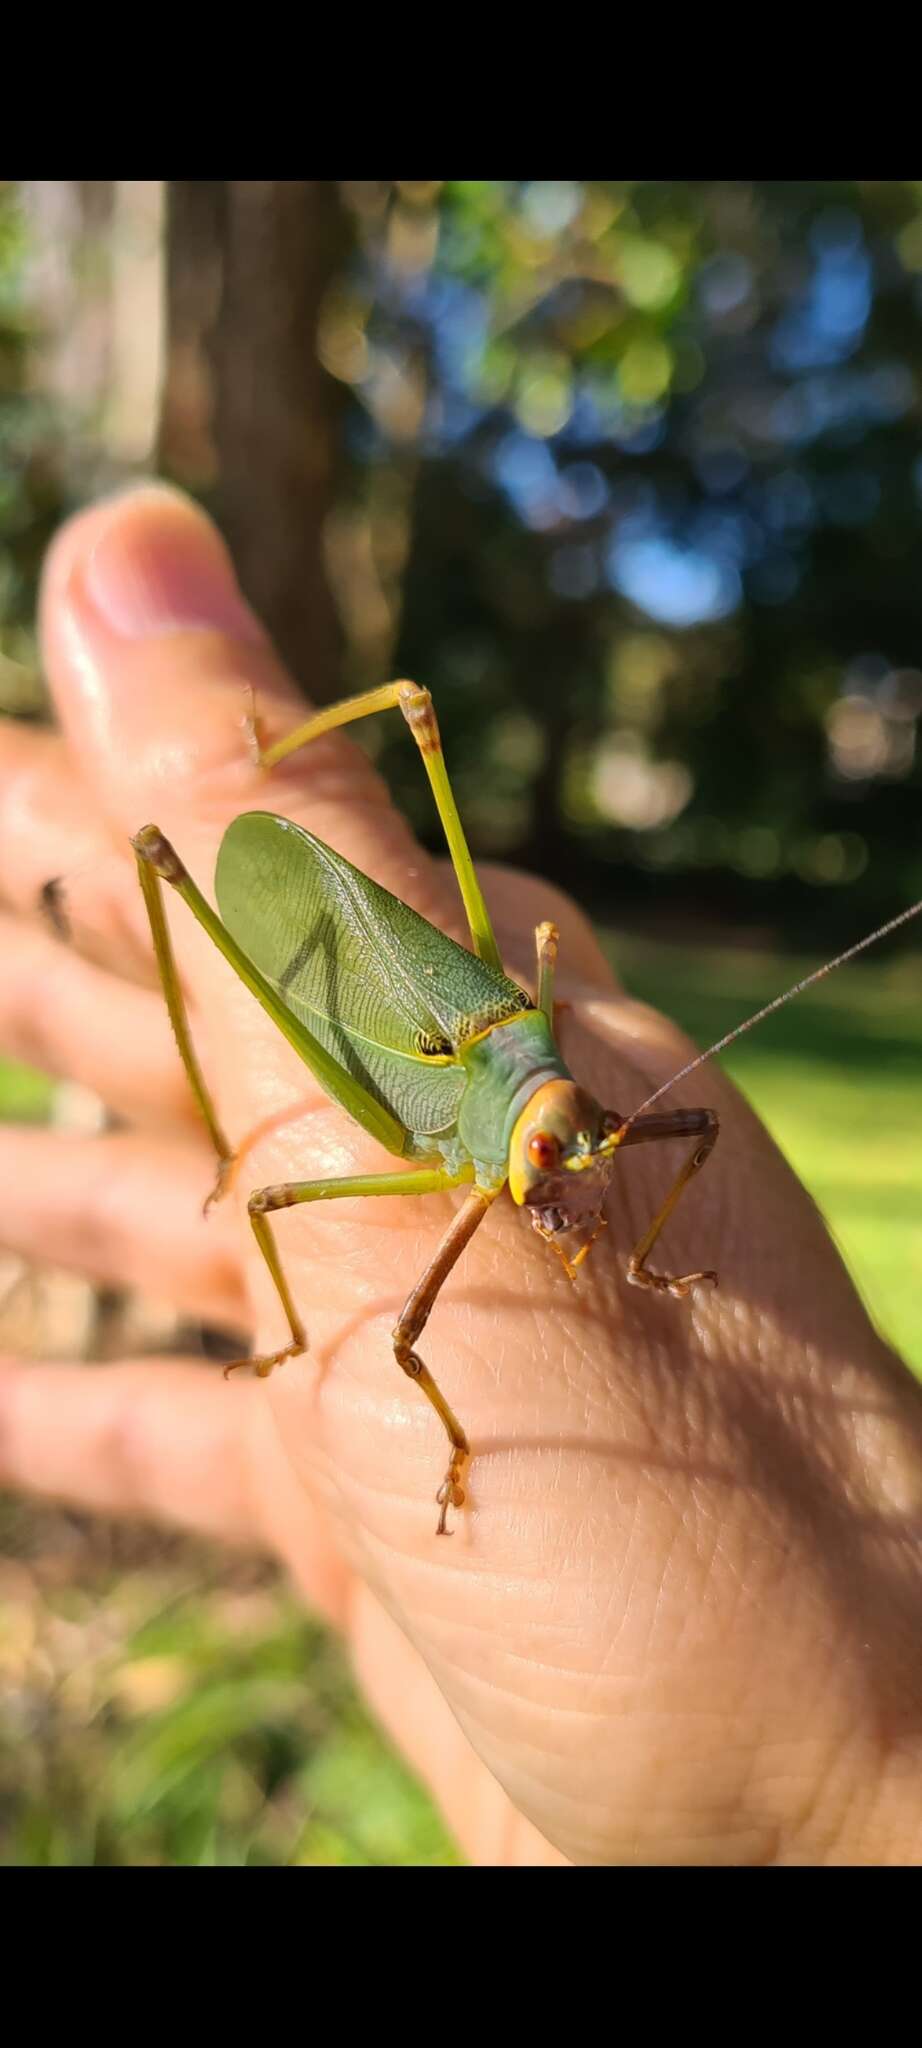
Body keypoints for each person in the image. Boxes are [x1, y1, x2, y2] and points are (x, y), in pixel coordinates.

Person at [2, 483, 921, 1867]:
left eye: (577, 1153)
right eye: (563, 1164)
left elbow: (685, 1132)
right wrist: (337, 1354)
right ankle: (268, 793)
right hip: (396, 1072)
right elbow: (325, 1247)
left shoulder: (585, 1123)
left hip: (498, 1042)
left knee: (664, 1096)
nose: (571, 1188)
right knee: (255, 1108)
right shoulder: (446, 1152)